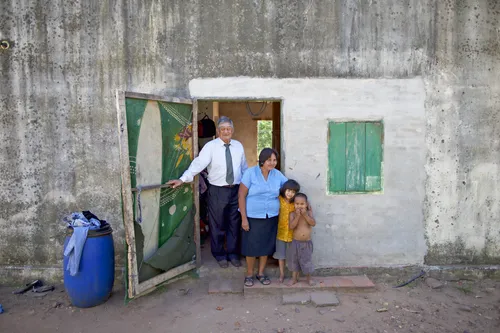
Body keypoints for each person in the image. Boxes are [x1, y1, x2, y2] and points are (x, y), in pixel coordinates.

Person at [167, 116, 248, 268]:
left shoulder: (239, 146)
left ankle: (233, 253)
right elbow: (198, 164)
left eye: (228, 129)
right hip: (217, 190)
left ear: (232, 131)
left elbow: (244, 168)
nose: (226, 131)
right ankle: (219, 254)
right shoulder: (210, 147)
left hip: (236, 190)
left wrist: (247, 186)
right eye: (223, 129)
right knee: (217, 224)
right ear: (218, 131)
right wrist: (183, 179)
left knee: (234, 223)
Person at [239, 148, 287, 287]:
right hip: (252, 216)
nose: (272, 163)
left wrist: (303, 202)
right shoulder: (250, 173)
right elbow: (241, 195)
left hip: (271, 217)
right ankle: (249, 274)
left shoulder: (277, 175)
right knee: (251, 247)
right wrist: (244, 218)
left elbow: (289, 187)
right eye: (269, 160)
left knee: (265, 246)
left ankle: (260, 273)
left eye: (274, 160)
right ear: (262, 160)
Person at [273, 179, 300, 283]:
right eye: (288, 190)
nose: (290, 193)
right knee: (281, 255)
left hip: (293, 234)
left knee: (294, 256)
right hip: (280, 233)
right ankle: (282, 274)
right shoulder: (279, 199)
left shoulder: (296, 203)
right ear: (284, 189)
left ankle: (294, 276)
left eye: (293, 192)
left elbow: (304, 206)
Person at [287, 193, 316, 286]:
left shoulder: (309, 213)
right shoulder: (292, 214)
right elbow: (291, 226)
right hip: (295, 242)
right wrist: (298, 216)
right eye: (297, 204)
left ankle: (309, 278)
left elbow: (313, 223)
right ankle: (294, 278)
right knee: (294, 261)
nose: (299, 206)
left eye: (302, 204)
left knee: (307, 261)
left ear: (306, 204)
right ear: (294, 204)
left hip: (306, 243)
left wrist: (305, 215)